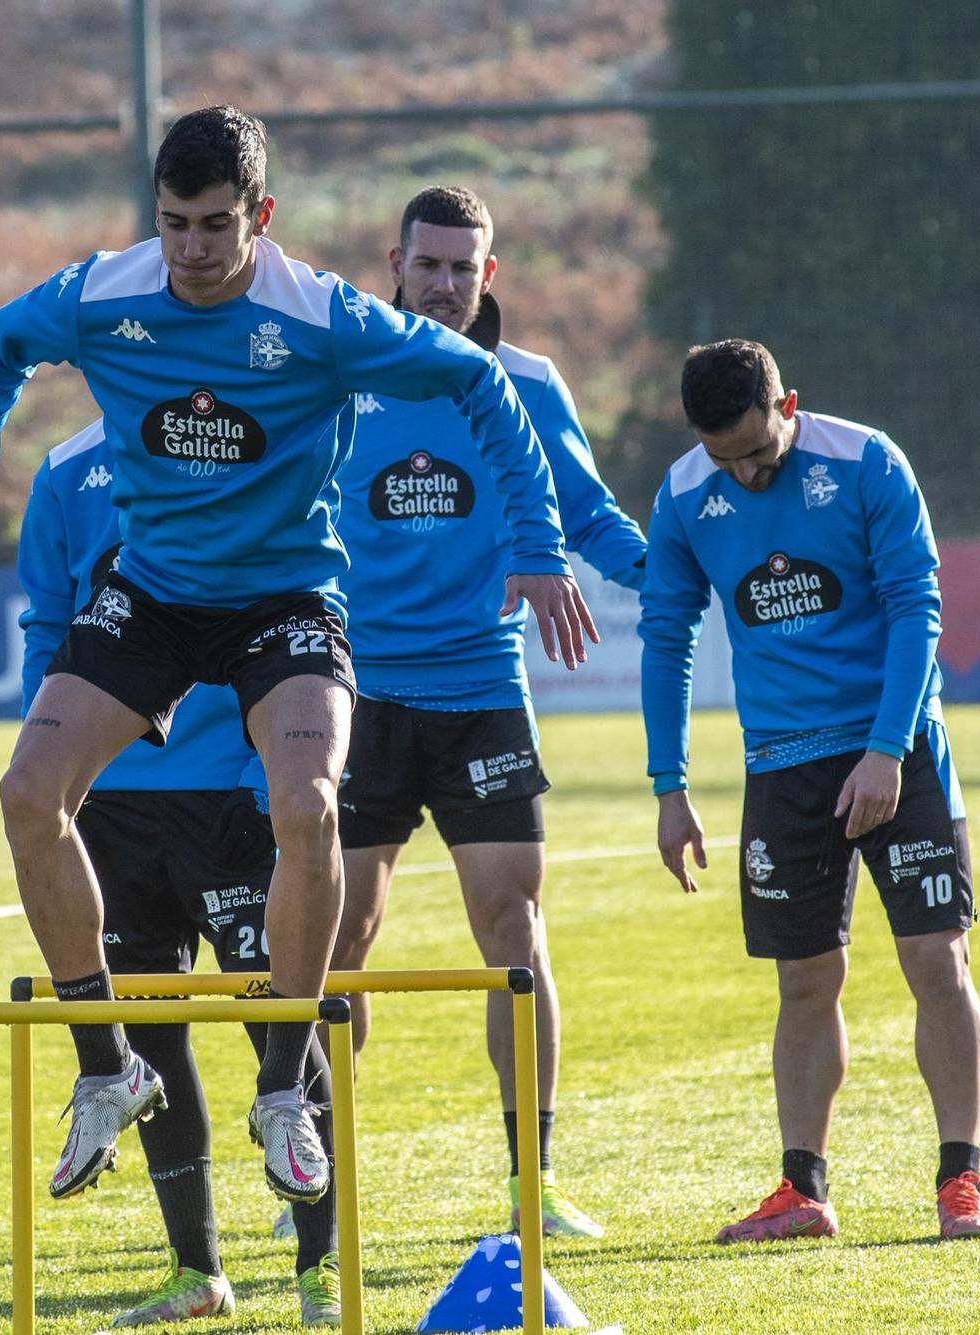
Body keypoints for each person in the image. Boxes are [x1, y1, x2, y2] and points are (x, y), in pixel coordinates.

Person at [0, 106, 594, 1213]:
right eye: (173, 224)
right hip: (156, 591)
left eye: (215, 226)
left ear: (259, 217)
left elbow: (478, 383)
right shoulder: (104, 294)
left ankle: (281, 1087)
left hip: (285, 599)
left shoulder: (321, 316)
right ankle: (105, 1065)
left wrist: (534, 541)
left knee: (307, 809)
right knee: (29, 795)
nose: (190, 250)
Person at [325, 186, 647, 1240]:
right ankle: (319, 1189)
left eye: (466, 268)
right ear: (395, 264)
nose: (447, 285)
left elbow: (586, 513)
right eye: (431, 266)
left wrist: (670, 579)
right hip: (352, 696)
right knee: (336, 946)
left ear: (487, 275)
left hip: (479, 692)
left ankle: (531, 1184)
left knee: (515, 935)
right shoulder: (338, 378)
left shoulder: (523, 384)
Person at [638, 338, 980, 1243]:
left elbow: (919, 605)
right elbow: (666, 636)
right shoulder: (686, 493)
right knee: (804, 980)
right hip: (784, 767)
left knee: (936, 965)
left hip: (899, 744)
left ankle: (962, 1182)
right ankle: (802, 1189)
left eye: (761, 452)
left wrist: (885, 750)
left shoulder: (869, 461)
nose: (748, 476)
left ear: (787, 404)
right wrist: (668, 784)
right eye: (729, 460)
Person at [17, 421, 342, 1327]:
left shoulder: (240, 441)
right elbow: (50, 623)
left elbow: (294, 624)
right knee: (151, 1037)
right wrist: (62, 782)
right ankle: (195, 1271)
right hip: (115, 809)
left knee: (277, 1021)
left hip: (230, 799)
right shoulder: (63, 471)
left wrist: (262, 780)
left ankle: (321, 1268)